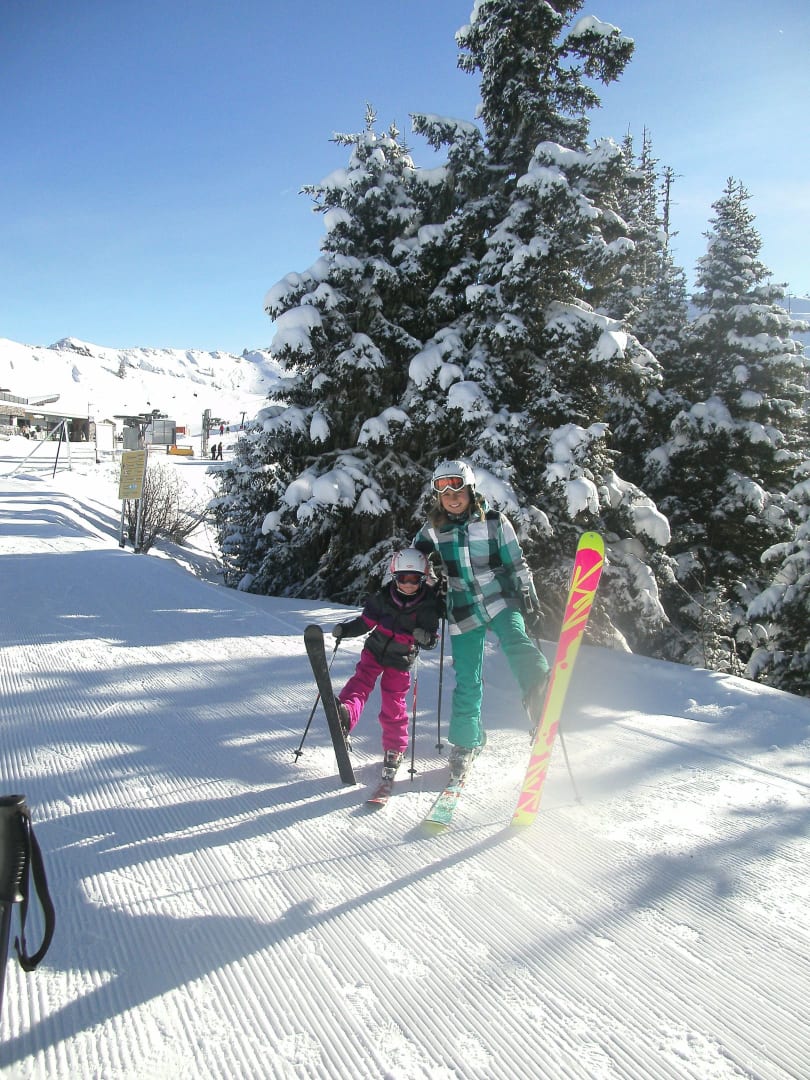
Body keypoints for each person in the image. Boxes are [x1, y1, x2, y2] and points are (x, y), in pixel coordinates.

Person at [413, 459, 549, 780]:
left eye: (458, 490)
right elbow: (415, 558)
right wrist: (428, 581)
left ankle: (541, 696)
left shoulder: (495, 522)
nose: (452, 497)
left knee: (515, 640)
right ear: (438, 496)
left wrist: (528, 594)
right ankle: (467, 742)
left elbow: (516, 562)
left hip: (498, 595)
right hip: (461, 606)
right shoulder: (434, 529)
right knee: (467, 676)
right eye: (444, 492)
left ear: (471, 490)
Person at [331, 549, 442, 782]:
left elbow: (432, 638)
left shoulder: (427, 604)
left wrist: (425, 638)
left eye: (414, 579)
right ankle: (346, 715)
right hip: (374, 650)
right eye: (403, 578)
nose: (408, 584)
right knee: (360, 683)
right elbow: (365, 622)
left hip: (401, 660)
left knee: (393, 702)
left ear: (422, 579)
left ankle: (395, 747)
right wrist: (346, 630)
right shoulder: (383, 597)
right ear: (394, 577)